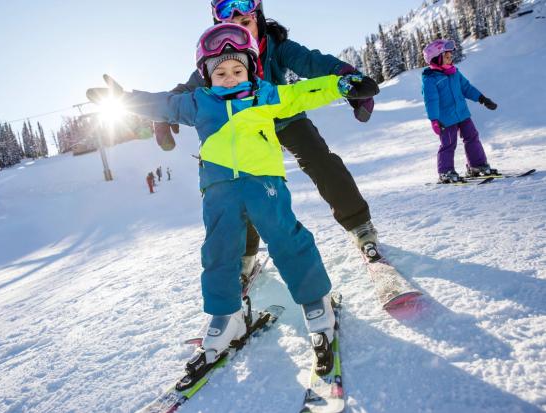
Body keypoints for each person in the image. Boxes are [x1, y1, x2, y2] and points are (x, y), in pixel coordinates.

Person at [87, 23, 379, 377]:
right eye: (220, 72)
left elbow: (302, 94)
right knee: (219, 251)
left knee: (286, 238)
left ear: (250, 69)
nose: (229, 77)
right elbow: (160, 103)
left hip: (264, 183)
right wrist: (124, 99)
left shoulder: (265, 94)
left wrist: (341, 83)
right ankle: (226, 316)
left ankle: (315, 301)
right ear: (207, 76)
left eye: (237, 69)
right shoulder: (197, 103)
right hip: (218, 190)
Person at [153, 0, 381, 267]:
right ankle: (245, 255)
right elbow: (189, 87)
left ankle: (360, 225)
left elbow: (312, 62)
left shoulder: (276, 46)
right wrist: (163, 115)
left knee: (319, 159)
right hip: (247, 127)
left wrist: (347, 76)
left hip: (285, 116)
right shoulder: (219, 56)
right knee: (240, 178)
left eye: (246, 20)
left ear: (258, 17)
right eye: (231, 23)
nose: (240, 24)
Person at [422, 39, 499, 184]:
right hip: (445, 119)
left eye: (451, 56)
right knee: (448, 144)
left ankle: (477, 165)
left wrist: (482, 99)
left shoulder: (455, 73)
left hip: (463, 114)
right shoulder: (430, 79)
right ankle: (445, 172)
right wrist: (434, 120)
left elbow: (467, 88)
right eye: (447, 56)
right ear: (436, 59)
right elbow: (431, 101)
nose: (451, 58)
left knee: (472, 136)